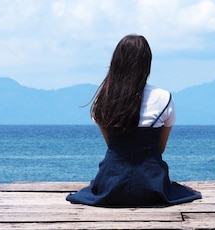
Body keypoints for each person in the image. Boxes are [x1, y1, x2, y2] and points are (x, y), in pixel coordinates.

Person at [66, 34, 201, 207]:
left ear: (116, 62)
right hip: (152, 185)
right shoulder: (164, 98)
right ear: (147, 64)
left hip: (112, 184)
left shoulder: (103, 99)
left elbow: (112, 145)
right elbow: (160, 148)